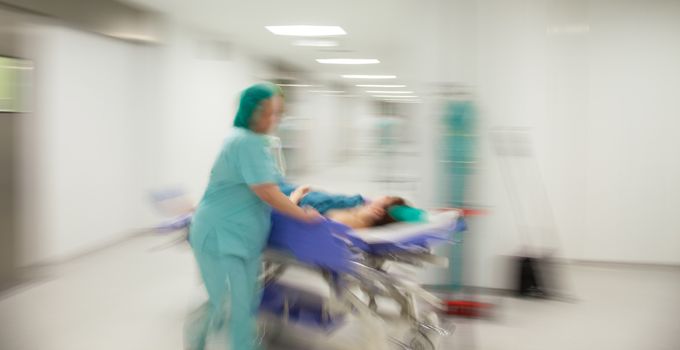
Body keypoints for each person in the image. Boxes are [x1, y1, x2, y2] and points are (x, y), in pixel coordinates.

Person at [185, 83, 322, 350]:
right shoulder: (245, 141)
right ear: (250, 111)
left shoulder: (255, 142)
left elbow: (268, 187)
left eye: (277, 113)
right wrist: (302, 215)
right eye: (267, 113)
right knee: (225, 304)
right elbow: (266, 191)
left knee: (245, 304)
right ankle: (195, 337)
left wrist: (292, 199)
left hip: (242, 237)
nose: (273, 119)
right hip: (219, 235)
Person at [289, 190, 407, 229]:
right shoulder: (358, 217)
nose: (385, 196)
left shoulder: (351, 221)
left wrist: (296, 196)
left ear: (378, 212)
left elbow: (310, 216)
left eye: (388, 198)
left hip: (294, 200)